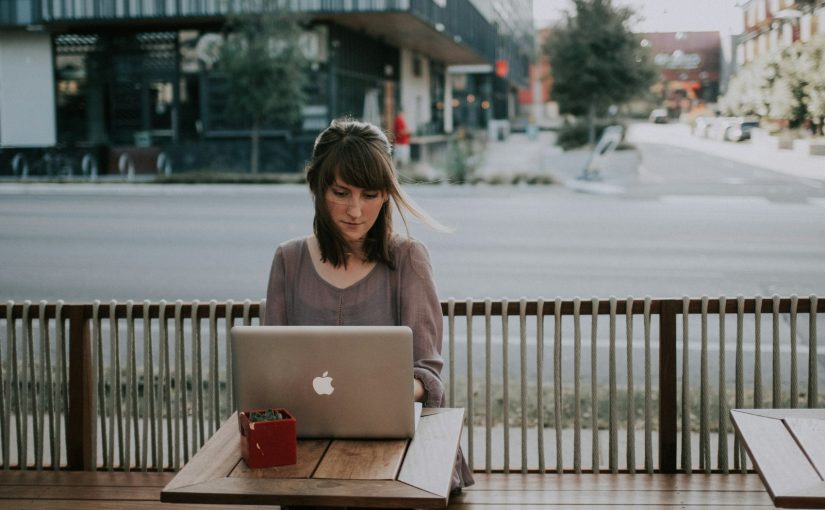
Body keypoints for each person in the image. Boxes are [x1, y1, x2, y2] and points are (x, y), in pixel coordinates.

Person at [264, 118, 473, 495]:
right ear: (317, 186)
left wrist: (365, 390)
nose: (356, 211)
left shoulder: (408, 258)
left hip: (400, 456)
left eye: (370, 194)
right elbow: (269, 367)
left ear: (386, 194)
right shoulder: (288, 259)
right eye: (341, 193)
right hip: (306, 453)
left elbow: (428, 376)